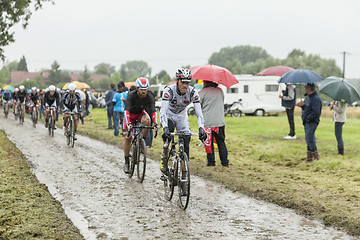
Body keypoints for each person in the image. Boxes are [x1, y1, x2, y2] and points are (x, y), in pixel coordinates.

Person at [159, 68, 207, 173]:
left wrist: (201, 129)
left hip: (182, 116)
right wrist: (165, 127)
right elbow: (163, 112)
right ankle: (165, 155)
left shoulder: (193, 92)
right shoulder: (169, 90)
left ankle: (184, 172)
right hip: (169, 115)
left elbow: (199, 114)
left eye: (187, 82)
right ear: (177, 81)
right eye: (183, 82)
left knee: (186, 141)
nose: (185, 85)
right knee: (168, 136)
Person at [122, 77, 159, 173]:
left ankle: (143, 140)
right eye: (141, 89)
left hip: (139, 114)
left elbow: (153, 111)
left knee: (147, 121)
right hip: (129, 115)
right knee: (128, 137)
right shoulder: (131, 95)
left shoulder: (150, 95)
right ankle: (126, 161)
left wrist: (155, 123)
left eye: (145, 89)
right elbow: (126, 111)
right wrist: (129, 123)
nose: (143, 91)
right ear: (137, 88)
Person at [199, 80, 229, 167]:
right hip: (219, 122)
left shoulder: (202, 92)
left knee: (208, 143)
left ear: (205, 82)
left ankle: (211, 162)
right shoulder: (220, 91)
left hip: (207, 122)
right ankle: (224, 162)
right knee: (221, 142)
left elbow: (198, 105)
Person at [297, 83, 322, 162]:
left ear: (309, 89)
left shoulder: (316, 99)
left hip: (312, 122)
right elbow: (307, 108)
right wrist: (302, 106)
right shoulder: (308, 97)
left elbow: (316, 113)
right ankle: (309, 157)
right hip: (306, 121)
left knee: (309, 138)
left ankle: (315, 157)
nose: (304, 90)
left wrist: (308, 119)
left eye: (306, 88)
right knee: (309, 139)